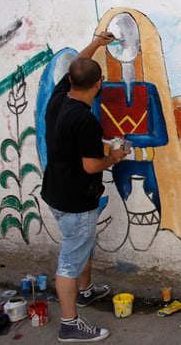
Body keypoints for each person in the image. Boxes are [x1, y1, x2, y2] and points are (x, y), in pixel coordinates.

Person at [41, 31, 130, 343]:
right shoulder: (86, 121)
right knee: (70, 259)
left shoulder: (58, 99)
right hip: (75, 199)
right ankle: (69, 324)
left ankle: (86, 290)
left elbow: (75, 68)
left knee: (81, 244)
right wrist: (114, 157)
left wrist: (96, 43)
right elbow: (91, 166)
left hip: (56, 191)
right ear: (99, 83)